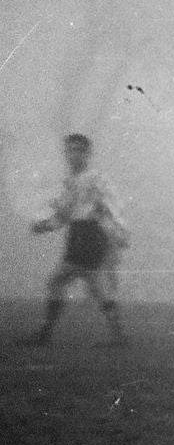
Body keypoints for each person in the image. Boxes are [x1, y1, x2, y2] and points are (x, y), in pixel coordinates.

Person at [26, 133, 132, 346]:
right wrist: (44, 226)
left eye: (77, 150)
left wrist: (120, 230)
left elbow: (112, 205)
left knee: (58, 281)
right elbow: (63, 215)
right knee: (94, 286)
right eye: (69, 150)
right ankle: (118, 337)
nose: (72, 155)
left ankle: (44, 335)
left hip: (89, 235)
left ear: (87, 154)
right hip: (77, 234)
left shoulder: (94, 179)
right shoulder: (70, 181)